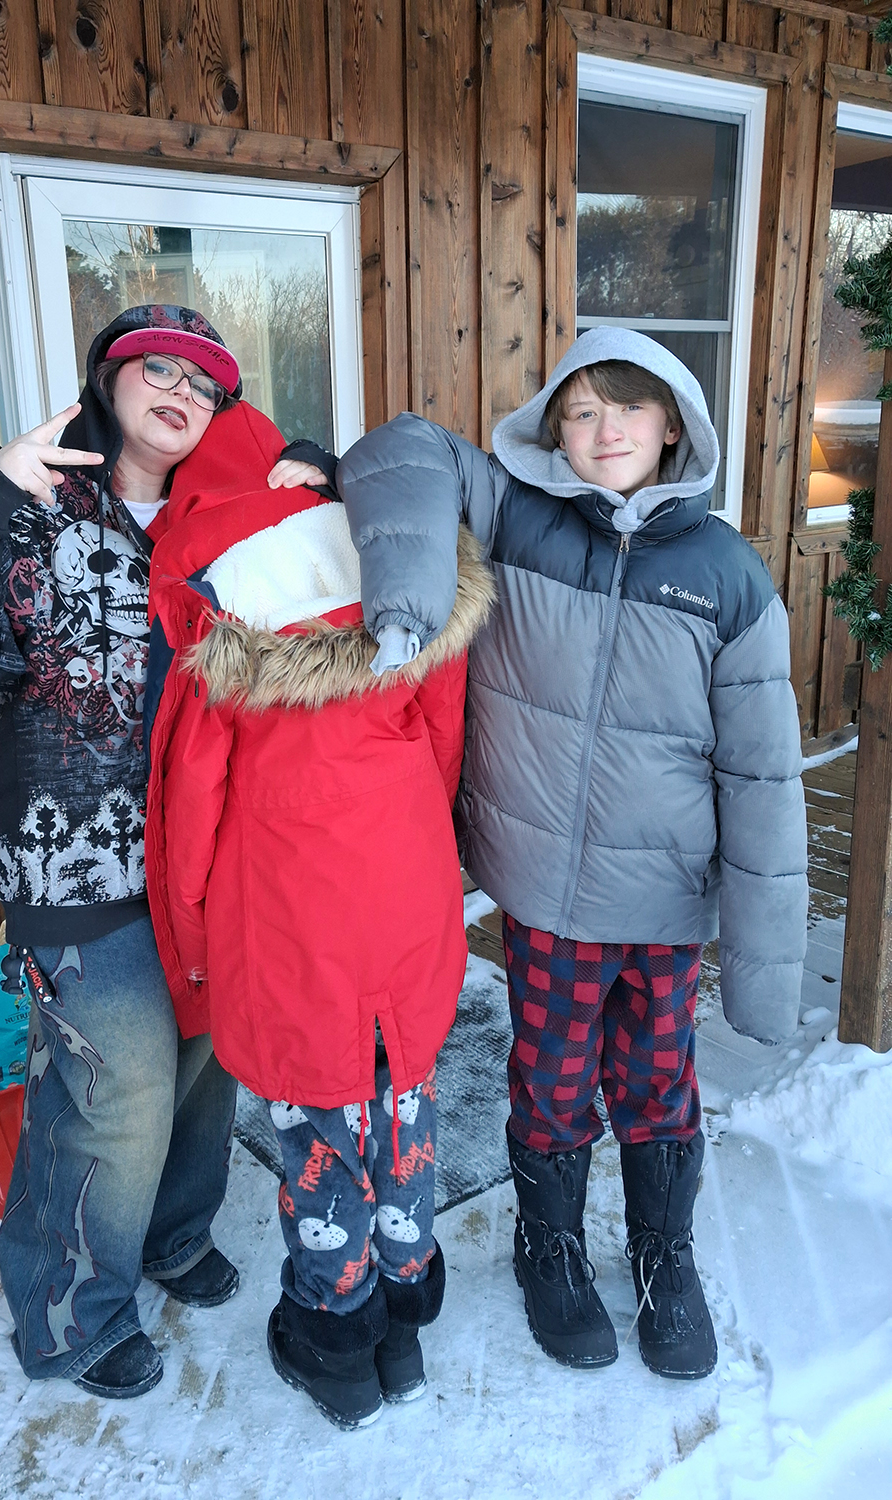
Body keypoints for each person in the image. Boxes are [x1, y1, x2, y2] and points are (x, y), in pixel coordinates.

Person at [337, 327, 808, 1381]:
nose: (605, 432)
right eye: (582, 411)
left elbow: (767, 781)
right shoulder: (518, 517)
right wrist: (391, 579)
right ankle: (548, 1247)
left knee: (657, 1081)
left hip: (667, 900)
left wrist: (767, 968)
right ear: (554, 428)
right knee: (549, 1082)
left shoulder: (727, 575)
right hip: (548, 893)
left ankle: (661, 1253)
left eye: (627, 410)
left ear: (672, 426)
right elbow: (403, 448)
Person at [0, 304, 331, 1399]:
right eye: (157, 369)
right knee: (116, 1083)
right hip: (68, 861)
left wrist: (318, 488)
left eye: (206, 382)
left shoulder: (227, 517)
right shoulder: (33, 512)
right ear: (109, 383)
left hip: (211, 854)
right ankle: (67, 1310)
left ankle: (174, 1237)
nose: (180, 391)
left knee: (203, 1067)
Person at [142, 393, 494, 1427]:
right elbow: (441, 739)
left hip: (292, 912)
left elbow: (192, 807)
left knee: (320, 1131)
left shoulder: (219, 611)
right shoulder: (399, 565)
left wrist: (198, 944)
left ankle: (335, 1342)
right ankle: (406, 1319)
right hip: (403, 880)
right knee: (404, 1102)